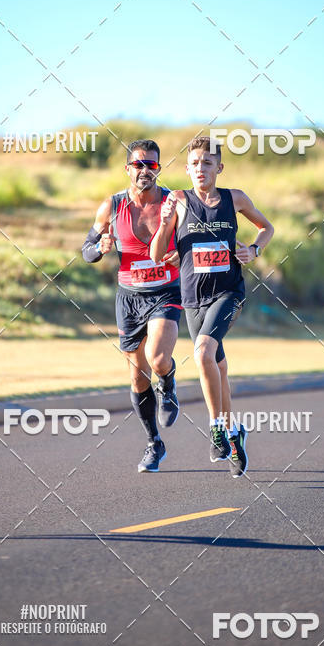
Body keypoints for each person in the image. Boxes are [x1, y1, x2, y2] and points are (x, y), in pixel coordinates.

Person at [150, 135, 274, 477]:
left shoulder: (234, 199)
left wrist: (254, 250)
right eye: (194, 164)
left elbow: (266, 227)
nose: (200, 169)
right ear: (187, 169)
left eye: (207, 163)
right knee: (217, 368)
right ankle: (235, 436)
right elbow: (157, 255)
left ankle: (216, 427)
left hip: (229, 292)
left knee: (203, 353)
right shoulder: (177, 201)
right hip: (193, 298)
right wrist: (164, 224)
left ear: (219, 167)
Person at [81, 139, 182, 473]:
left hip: (165, 292)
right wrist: (101, 248)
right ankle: (154, 443)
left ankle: (167, 384)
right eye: (138, 165)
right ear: (128, 169)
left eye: (151, 165)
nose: (144, 171)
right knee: (138, 376)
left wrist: (183, 252)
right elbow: (86, 250)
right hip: (128, 298)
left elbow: (196, 240)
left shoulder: (175, 202)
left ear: (158, 169)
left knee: (157, 358)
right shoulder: (111, 206)